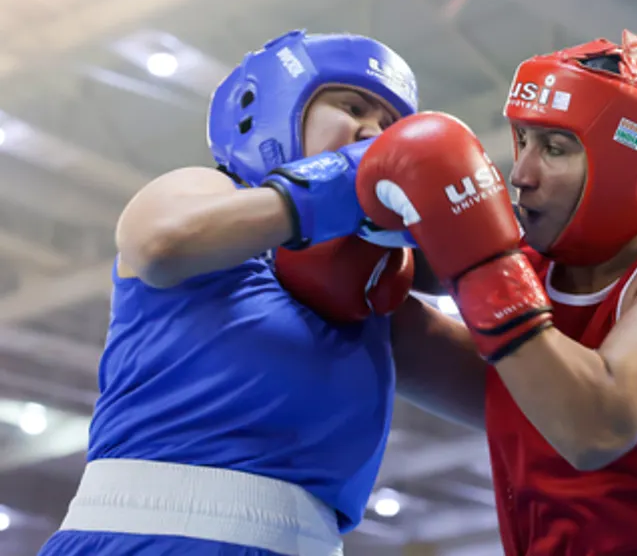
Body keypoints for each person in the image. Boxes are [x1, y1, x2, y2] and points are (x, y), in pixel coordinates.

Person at [358, 30, 637, 556]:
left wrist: (482, 265)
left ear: (634, 167)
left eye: (555, 148)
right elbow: (423, 348)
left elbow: (597, 427)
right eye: (523, 140)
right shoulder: (533, 275)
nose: (521, 174)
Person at [39, 28, 419, 556]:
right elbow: (160, 243)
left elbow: (512, 398)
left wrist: (486, 259)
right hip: (145, 538)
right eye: (353, 106)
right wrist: (336, 181)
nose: (373, 135)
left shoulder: (377, 290)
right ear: (275, 109)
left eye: (391, 128)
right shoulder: (203, 190)